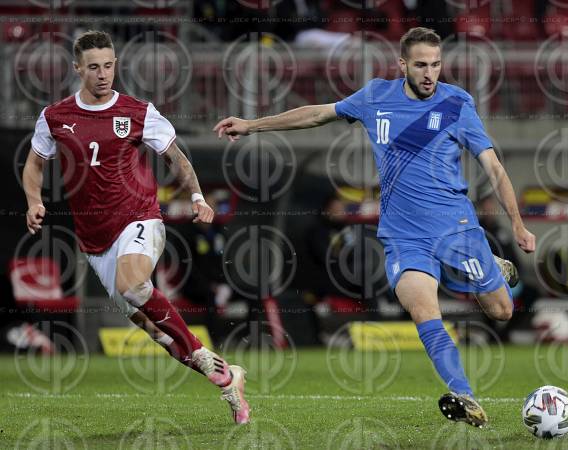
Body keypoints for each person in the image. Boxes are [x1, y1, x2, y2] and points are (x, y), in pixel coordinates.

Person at [213, 27, 536, 428]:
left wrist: (518, 225)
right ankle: (464, 395)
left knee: (501, 311)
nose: (429, 73)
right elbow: (316, 113)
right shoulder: (375, 97)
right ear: (403, 64)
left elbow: (494, 167)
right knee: (424, 310)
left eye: (436, 64)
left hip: (457, 229)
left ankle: (492, 262)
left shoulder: (457, 104)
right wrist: (252, 125)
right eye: (420, 64)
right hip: (403, 236)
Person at [21, 30, 250, 424]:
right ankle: (229, 379)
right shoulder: (55, 116)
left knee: (133, 284)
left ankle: (203, 354)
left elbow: (176, 158)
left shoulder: (137, 111)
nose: (103, 74)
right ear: (78, 69)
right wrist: (34, 202)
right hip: (95, 242)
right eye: (93, 67)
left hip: (139, 218)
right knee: (158, 333)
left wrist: (197, 197)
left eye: (108, 65)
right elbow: (35, 162)